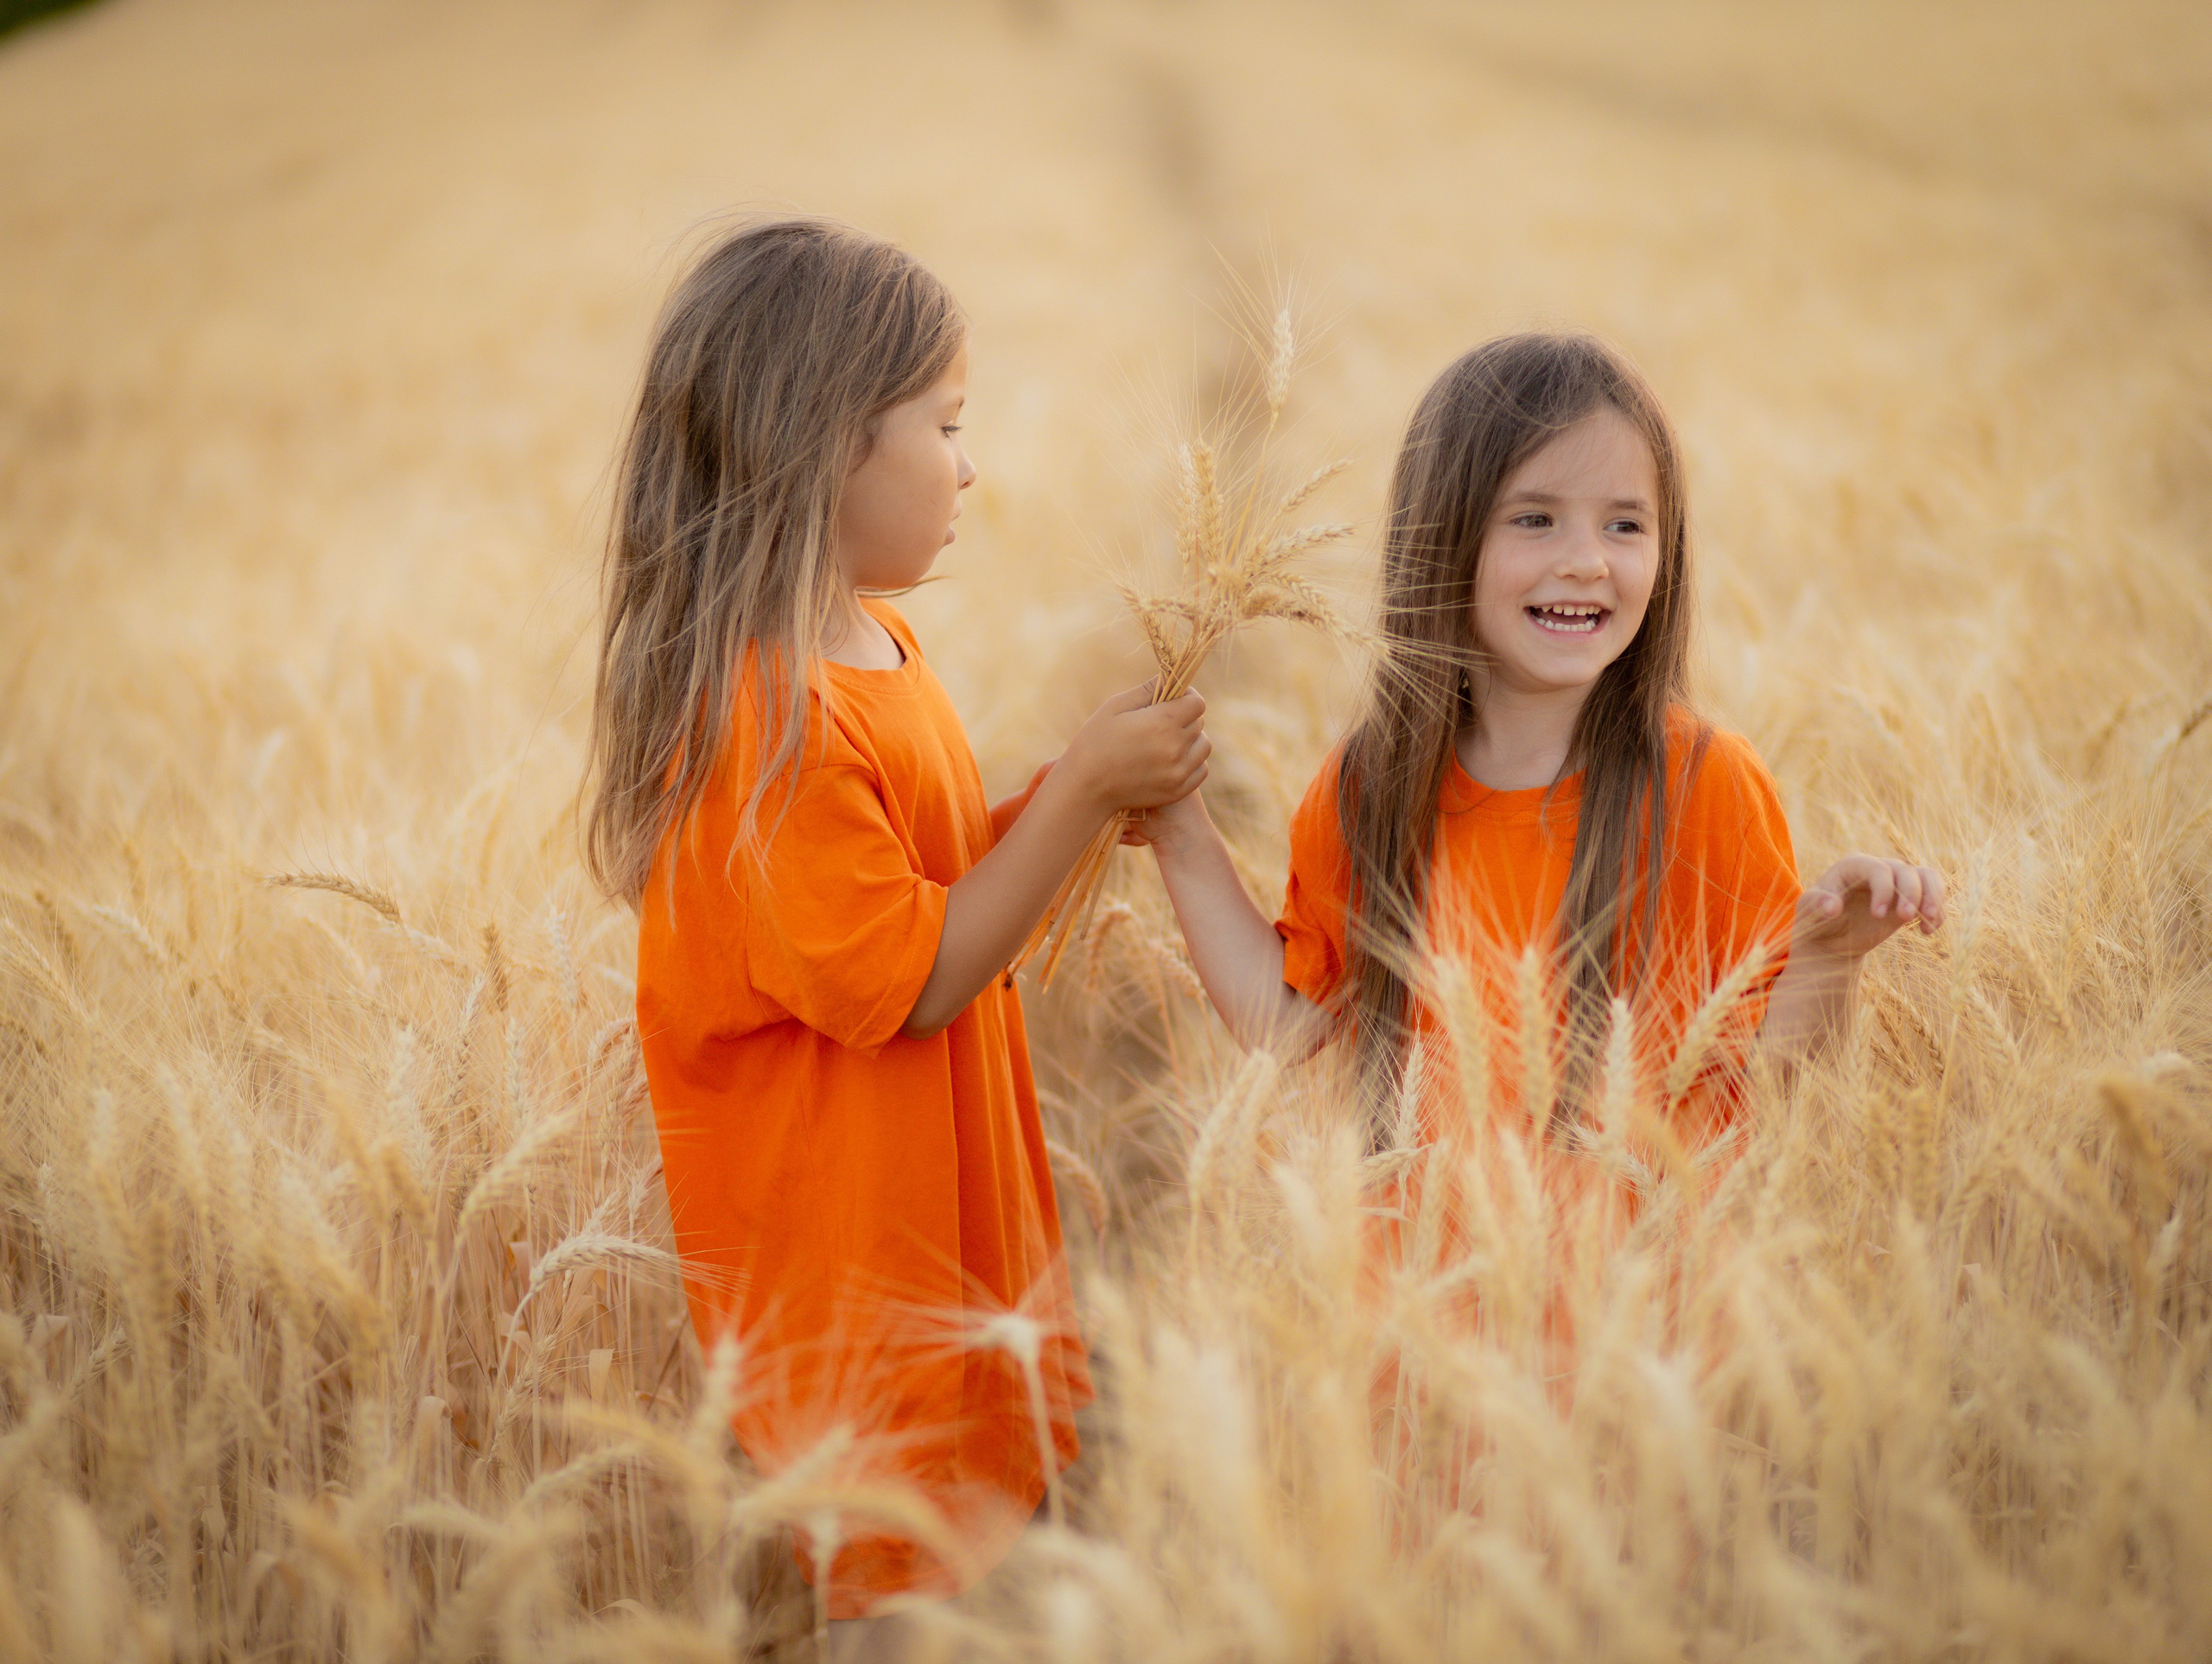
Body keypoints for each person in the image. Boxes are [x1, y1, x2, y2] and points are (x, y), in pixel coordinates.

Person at [582, 217, 1210, 1653]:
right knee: (901, 1585)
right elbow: (911, 977)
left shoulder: (876, 650)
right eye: (945, 423)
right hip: (858, 1262)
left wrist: (1053, 804)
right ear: (825, 449)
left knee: (974, 1547)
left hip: (951, 1220)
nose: (971, 465)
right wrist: (1079, 806)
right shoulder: (763, 720)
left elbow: (919, 882)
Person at [1138, 330, 1943, 1183]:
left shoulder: (1703, 785)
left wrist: (1828, 955)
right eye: (1534, 519)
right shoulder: (1373, 784)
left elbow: (1779, 1086)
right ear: (1442, 539)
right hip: (1422, 1300)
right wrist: (1181, 834)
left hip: (1641, 1302)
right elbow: (1289, 1021)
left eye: (1625, 524)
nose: (1587, 562)